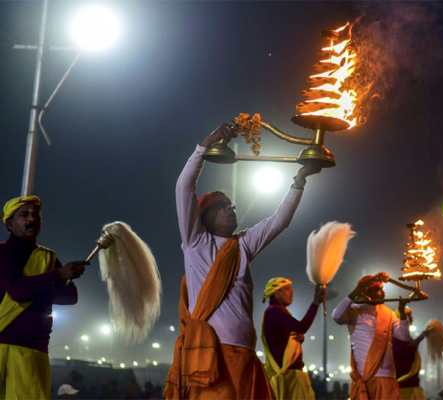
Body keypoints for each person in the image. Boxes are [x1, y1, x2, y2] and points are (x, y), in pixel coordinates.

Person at [164, 124, 321, 399]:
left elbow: (278, 222)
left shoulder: (243, 245)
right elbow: (183, 188)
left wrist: (299, 181)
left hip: (245, 354)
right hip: (210, 355)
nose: (231, 210)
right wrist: (203, 148)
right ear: (207, 216)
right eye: (224, 207)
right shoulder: (195, 242)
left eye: (232, 207)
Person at [0, 195, 87, 399]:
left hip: (32, 353)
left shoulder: (48, 257)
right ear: (10, 223)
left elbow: (70, 296)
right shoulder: (2, 253)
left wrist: (64, 277)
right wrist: (57, 276)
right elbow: (17, 291)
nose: (31, 219)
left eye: (35, 214)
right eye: (24, 215)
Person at [332, 272, 410, 400]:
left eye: (382, 289)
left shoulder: (388, 313)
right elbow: (336, 316)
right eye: (376, 289)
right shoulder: (355, 310)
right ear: (364, 292)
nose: (382, 293)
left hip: (388, 376)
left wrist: (402, 313)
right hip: (367, 376)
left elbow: (403, 337)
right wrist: (355, 292)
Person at [261, 277, 325, 399]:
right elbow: (302, 327)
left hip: (290, 377)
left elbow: (290, 335)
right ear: (276, 292)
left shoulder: (278, 311)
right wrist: (315, 303)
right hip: (288, 378)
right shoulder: (274, 311)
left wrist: (297, 338)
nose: (291, 293)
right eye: (287, 289)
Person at [392, 306, 432, 400]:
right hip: (403, 385)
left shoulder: (406, 337)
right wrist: (422, 336)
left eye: (410, 315)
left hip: (410, 384)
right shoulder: (395, 337)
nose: (410, 318)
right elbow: (406, 351)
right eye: (407, 315)